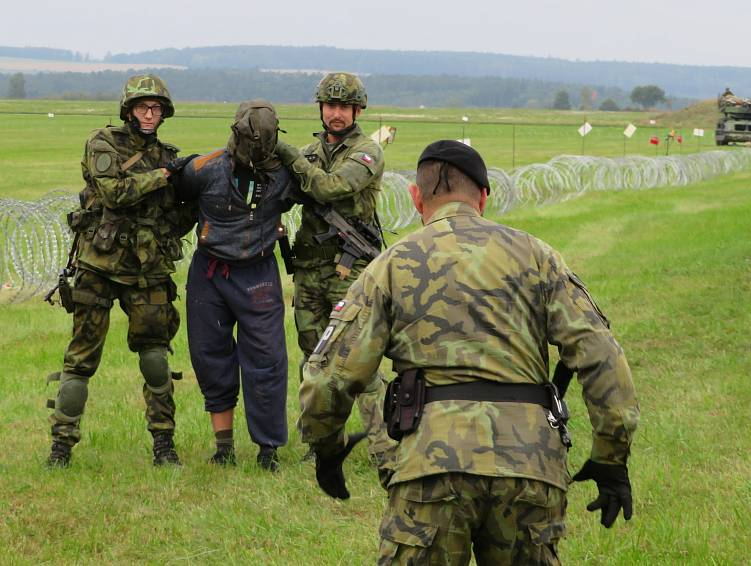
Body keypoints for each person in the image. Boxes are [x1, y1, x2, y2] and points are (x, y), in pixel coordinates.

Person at [298, 140, 640, 564]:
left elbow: (330, 375)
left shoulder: (390, 265)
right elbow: (602, 356)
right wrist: (611, 457)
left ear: (415, 197)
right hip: (529, 466)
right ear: (483, 196)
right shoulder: (539, 257)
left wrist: (327, 448)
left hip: (431, 468)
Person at [47, 74, 197, 467]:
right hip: (98, 265)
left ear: (164, 113)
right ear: (128, 110)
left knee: (155, 357)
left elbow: (176, 216)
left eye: (156, 108)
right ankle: (61, 447)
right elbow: (115, 192)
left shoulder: (169, 155)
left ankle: (164, 446)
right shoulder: (104, 143)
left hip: (147, 271)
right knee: (80, 359)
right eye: (142, 107)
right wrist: (164, 176)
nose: (149, 114)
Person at [274, 72, 393, 471]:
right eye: (330, 105)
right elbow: (287, 194)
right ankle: (322, 445)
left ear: (357, 110)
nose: (336, 113)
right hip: (309, 269)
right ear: (321, 108)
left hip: (351, 270)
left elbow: (329, 189)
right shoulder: (310, 153)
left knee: (359, 364)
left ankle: (385, 449)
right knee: (314, 362)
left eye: (344, 106)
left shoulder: (367, 152)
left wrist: (289, 157)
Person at [173, 100, 297, 470]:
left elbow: (321, 192)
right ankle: (223, 448)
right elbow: (173, 195)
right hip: (209, 274)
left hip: (259, 273)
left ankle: (267, 450)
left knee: (267, 359)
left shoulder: (285, 176)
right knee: (210, 356)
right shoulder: (202, 169)